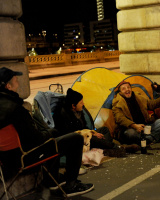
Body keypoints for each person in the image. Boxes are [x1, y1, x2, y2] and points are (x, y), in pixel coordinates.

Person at [0, 67, 94, 197]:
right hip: (24, 157)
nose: (19, 83)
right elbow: (35, 138)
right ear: (8, 86)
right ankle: (71, 184)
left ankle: (52, 179)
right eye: (16, 80)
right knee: (74, 138)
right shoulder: (16, 109)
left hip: (4, 159)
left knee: (52, 136)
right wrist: (50, 132)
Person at [53, 88, 140, 157]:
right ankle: (117, 147)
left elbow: (85, 127)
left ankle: (106, 149)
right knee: (93, 138)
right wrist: (91, 134)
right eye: (81, 102)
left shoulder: (79, 111)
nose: (83, 104)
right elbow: (73, 133)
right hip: (77, 139)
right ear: (73, 106)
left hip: (86, 134)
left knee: (104, 130)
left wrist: (93, 132)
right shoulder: (62, 115)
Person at [112, 81, 160, 145]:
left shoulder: (138, 96)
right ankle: (151, 138)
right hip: (132, 128)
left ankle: (147, 139)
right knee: (130, 133)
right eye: (124, 88)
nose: (127, 89)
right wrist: (134, 126)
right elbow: (120, 118)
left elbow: (151, 104)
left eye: (128, 87)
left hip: (145, 126)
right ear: (120, 92)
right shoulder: (117, 102)